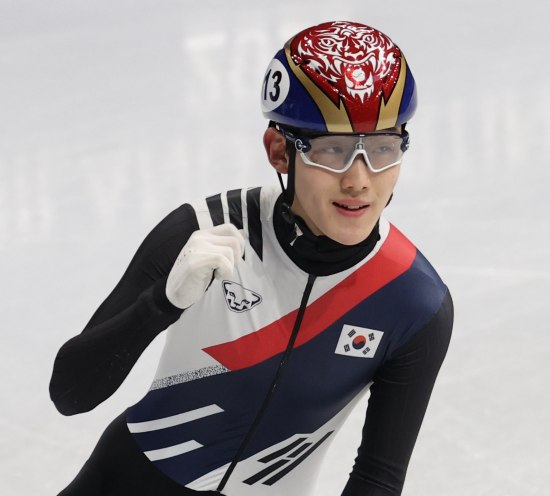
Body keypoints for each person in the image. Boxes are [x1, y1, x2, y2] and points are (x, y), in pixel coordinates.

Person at [50, 20, 453, 496]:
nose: (359, 180)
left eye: (383, 148)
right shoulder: (204, 228)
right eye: (333, 150)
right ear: (279, 151)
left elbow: (377, 478)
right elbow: (70, 394)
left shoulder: (412, 300)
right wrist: (160, 304)